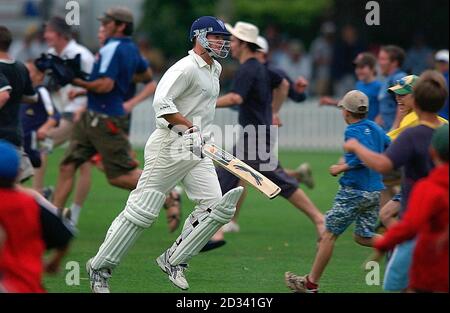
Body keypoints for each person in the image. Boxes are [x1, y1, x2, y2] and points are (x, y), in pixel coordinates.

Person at [86, 16, 243, 293]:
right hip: (169, 145)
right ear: (200, 36)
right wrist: (187, 126)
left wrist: (198, 132)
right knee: (141, 211)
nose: (223, 42)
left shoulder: (214, 68)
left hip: (197, 147)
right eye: (217, 37)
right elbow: (161, 103)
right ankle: (99, 269)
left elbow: (200, 108)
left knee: (216, 207)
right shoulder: (184, 69)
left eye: (224, 38)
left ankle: (174, 260)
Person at [214, 22, 324, 242]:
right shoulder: (262, 68)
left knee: (274, 180)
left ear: (244, 44)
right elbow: (283, 85)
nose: (231, 44)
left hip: (254, 137)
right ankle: (213, 233)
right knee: (224, 177)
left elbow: (236, 98)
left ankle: (320, 219)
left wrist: (207, 103)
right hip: (255, 135)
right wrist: (273, 112)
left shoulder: (247, 68)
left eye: (234, 41)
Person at [342, 70, 448, 291]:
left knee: (393, 286)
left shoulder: (413, 132)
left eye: (403, 94)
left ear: (416, 100)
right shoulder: (445, 127)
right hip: (441, 220)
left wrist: (355, 147)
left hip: (419, 219)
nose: (398, 98)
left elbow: (383, 162)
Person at [285, 90, 390, 293]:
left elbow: (361, 157)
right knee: (363, 236)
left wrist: (340, 168)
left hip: (354, 191)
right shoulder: (376, 128)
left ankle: (310, 284)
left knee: (328, 234)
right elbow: (389, 145)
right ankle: (401, 246)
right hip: (374, 192)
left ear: (346, 112)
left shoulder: (352, 131)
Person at [51, 7, 152, 213]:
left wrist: (75, 81)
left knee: (119, 176)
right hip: (95, 115)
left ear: (121, 26)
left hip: (106, 118)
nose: (103, 26)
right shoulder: (130, 48)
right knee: (68, 165)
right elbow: (145, 76)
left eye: (107, 23)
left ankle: (166, 192)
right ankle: (54, 218)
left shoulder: (111, 48)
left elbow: (105, 85)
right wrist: (90, 89)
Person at [373, 124, 449, 293]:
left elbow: (410, 225)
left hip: (433, 270)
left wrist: (383, 243)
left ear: (433, 153)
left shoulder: (427, 188)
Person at [0, 140, 74, 293]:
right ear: (18, 173)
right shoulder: (31, 203)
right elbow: (64, 236)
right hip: (27, 286)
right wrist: (53, 264)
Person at [41, 16, 95, 223]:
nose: (45, 36)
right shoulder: (53, 54)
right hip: (67, 113)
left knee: (42, 142)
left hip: (80, 114)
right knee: (84, 165)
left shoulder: (82, 55)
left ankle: (41, 195)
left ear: (61, 34)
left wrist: (82, 107)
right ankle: (70, 214)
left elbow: (95, 87)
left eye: (49, 32)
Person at [380, 75, 448, 228]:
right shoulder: (441, 121)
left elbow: (387, 143)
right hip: (432, 183)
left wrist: (359, 146)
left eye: (403, 94)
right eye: (396, 94)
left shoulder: (411, 118)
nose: (398, 98)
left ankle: (401, 245)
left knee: (389, 216)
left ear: (417, 96)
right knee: (388, 214)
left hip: (421, 186)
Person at [0, 25, 38, 183]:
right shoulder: (20, 67)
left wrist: (9, 96)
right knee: (13, 189)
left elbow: (3, 95)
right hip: (14, 135)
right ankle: (49, 207)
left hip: (1, 137)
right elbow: (32, 97)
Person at [20, 60, 61, 194]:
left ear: (40, 76)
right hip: (21, 144)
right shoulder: (21, 92)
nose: (24, 75)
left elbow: (54, 115)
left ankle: (41, 196)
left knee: (32, 187)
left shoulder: (41, 91)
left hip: (33, 146)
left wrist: (44, 128)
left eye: (28, 72)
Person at [321, 52, 382, 122]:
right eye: (357, 67)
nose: (358, 70)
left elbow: (386, 107)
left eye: (362, 67)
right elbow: (350, 105)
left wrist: (380, 117)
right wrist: (331, 102)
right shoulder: (359, 85)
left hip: (374, 127)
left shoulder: (379, 87)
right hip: (361, 126)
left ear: (372, 68)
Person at [377, 45, 407, 132]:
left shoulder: (399, 77)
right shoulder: (387, 79)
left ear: (394, 62)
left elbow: (403, 104)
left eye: (383, 59)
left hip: (394, 134)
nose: (379, 62)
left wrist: (395, 128)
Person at [435, 49, 449, 120]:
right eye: (440, 62)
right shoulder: (432, 77)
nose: (442, 65)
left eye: (444, 63)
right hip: (434, 118)